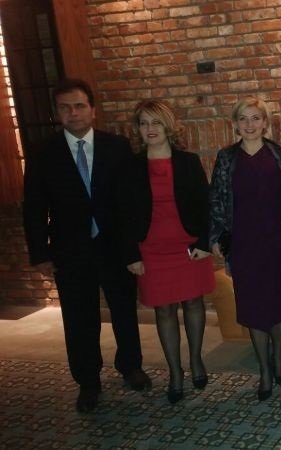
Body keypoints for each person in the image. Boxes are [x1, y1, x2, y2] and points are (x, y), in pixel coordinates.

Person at [22, 78, 151, 413]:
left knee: (124, 310)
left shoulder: (117, 147)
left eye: (79, 106)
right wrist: (40, 253)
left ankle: (130, 366)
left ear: (93, 110)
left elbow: (130, 202)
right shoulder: (43, 152)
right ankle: (88, 381)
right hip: (70, 250)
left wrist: (133, 247)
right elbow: (33, 206)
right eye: (65, 107)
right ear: (57, 113)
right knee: (80, 318)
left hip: (115, 246)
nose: (73, 113)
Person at [209, 97, 281, 401]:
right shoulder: (226, 158)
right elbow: (216, 199)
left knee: (277, 306)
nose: (249, 124)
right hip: (244, 246)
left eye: (255, 118)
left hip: (277, 244)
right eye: (243, 119)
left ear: (265, 122)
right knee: (253, 308)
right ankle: (264, 368)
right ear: (235, 124)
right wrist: (216, 237)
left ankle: (278, 355)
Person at [119, 100, 215, 403]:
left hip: (188, 246)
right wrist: (131, 255)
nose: (150, 129)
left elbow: (205, 205)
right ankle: (175, 371)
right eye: (144, 123)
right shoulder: (130, 167)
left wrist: (204, 243)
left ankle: (196, 360)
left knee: (194, 303)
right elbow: (121, 214)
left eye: (156, 122)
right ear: (138, 129)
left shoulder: (188, 162)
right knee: (164, 310)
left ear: (168, 126)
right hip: (151, 249)